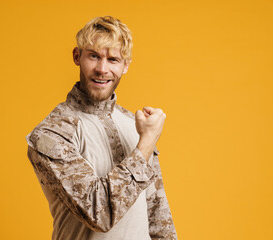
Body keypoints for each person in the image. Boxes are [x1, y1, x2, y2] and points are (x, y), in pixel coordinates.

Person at [26, 16, 177, 240]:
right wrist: (145, 144)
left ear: (126, 65)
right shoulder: (51, 134)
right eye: (94, 56)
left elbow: (157, 213)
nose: (102, 69)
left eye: (113, 59)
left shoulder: (136, 125)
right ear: (77, 57)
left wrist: (145, 139)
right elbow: (100, 213)